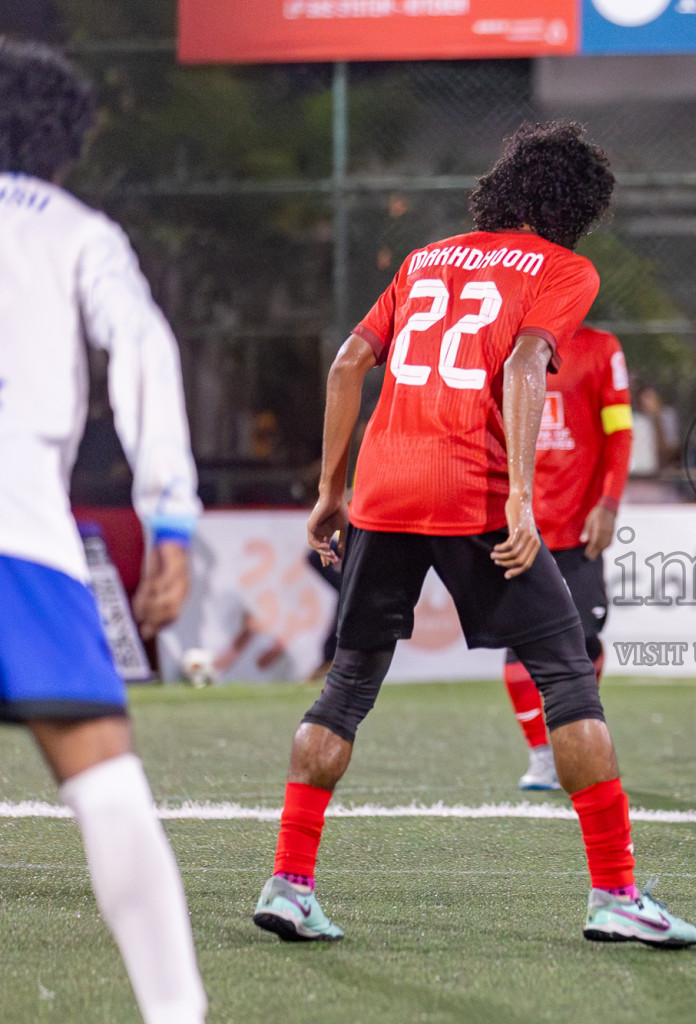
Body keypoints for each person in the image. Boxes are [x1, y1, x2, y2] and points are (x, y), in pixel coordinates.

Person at [251, 122, 696, 949]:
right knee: (569, 678)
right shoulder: (565, 269)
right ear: (578, 206)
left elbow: (350, 360)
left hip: (382, 492)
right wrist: (523, 501)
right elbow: (525, 365)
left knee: (346, 688)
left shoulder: (426, 258)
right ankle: (616, 895)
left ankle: (289, 881)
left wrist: (328, 491)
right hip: (476, 494)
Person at [0, 41, 207, 1024]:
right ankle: (176, 1014)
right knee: (107, 781)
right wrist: (169, 512)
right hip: (20, 537)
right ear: (67, 145)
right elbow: (143, 343)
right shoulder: (79, 231)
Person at [504, 324, 632, 790]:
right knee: (518, 642)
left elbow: (620, 432)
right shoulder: (504, 341)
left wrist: (609, 503)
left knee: (584, 642)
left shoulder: (601, 347)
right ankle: (543, 757)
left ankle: (575, 741)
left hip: (579, 527)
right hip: (521, 524)